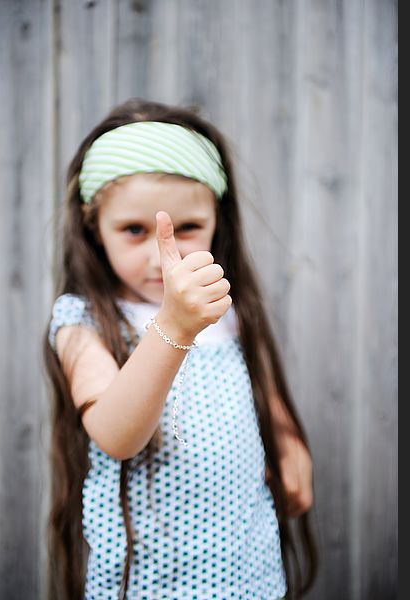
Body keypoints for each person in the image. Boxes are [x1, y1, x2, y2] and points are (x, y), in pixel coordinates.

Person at [43, 99, 317, 600]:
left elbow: (266, 396)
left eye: (185, 229)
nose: (160, 256)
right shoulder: (81, 321)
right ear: (93, 231)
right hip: (149, 583)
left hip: (247, 574)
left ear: (218, 221)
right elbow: (115, 434)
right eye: (132, 230)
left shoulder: (231, 311)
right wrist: (173, 325)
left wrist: (290, 443)